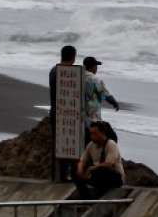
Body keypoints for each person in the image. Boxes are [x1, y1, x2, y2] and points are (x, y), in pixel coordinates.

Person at [49, 44, 79, 181]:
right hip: (68, 114)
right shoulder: (69, 72)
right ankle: (65, 175)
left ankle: (57, 175)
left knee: (57, 145)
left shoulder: (53, 70)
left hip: (54, 111)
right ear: (73, 57)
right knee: (69, 146)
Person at [74, 121, 125, 199]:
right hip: (96, 174)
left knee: (102, 170)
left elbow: (109, 164)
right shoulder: (91, 145)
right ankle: (86, 198)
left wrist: (92, 168)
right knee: (75, 172)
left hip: (113, 176)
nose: (92, 136)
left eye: (95, 133)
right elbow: (83, 160)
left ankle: (100, 196)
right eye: (91, 133)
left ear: (102, 133)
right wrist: (80, 170)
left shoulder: (110, 144)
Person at [82, 57, 120, 124]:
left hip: (79, 116)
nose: (96, 68)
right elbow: (106, 95)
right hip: (92, 117)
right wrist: (115, 103)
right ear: (93, 67)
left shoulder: (78, 76)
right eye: (96, 66)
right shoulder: (95, 80)